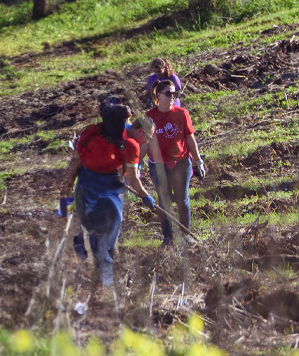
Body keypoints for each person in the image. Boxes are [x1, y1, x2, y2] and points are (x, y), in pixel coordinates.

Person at [56, 102, 157, 288]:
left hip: (97, 184)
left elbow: (75, 167)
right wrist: (145, 196)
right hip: (98, 186)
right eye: (148, 137)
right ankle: (106, 279)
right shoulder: (124, 142)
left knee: (100, 229)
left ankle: (104, 271)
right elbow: (132, 179)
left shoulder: (98, 133)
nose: (148, 141)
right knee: (103, 230)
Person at [145, 81, 207, 246]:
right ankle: (168, 237)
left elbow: (190, 138)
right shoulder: (149, 116)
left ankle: (185, 235)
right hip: (158, 165)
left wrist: (198, 161)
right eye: (168, 93)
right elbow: (145, 143)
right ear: (158, 95)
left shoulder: (182, 113)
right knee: (164, 200)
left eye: (174, 93)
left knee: (182, 199)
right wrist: (135, 165)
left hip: (181, 163)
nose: (172, 97)